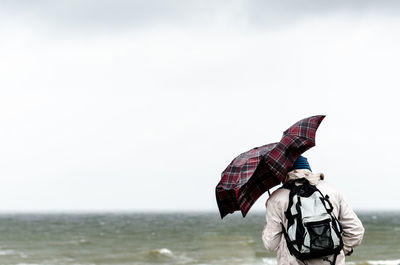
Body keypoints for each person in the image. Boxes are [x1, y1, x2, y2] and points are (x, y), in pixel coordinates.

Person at [262, 156, 364, 265]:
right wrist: (341, 250)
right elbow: (356, 230)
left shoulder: (276, 199)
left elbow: (271, 244)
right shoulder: (331, 190)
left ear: (283, 171)